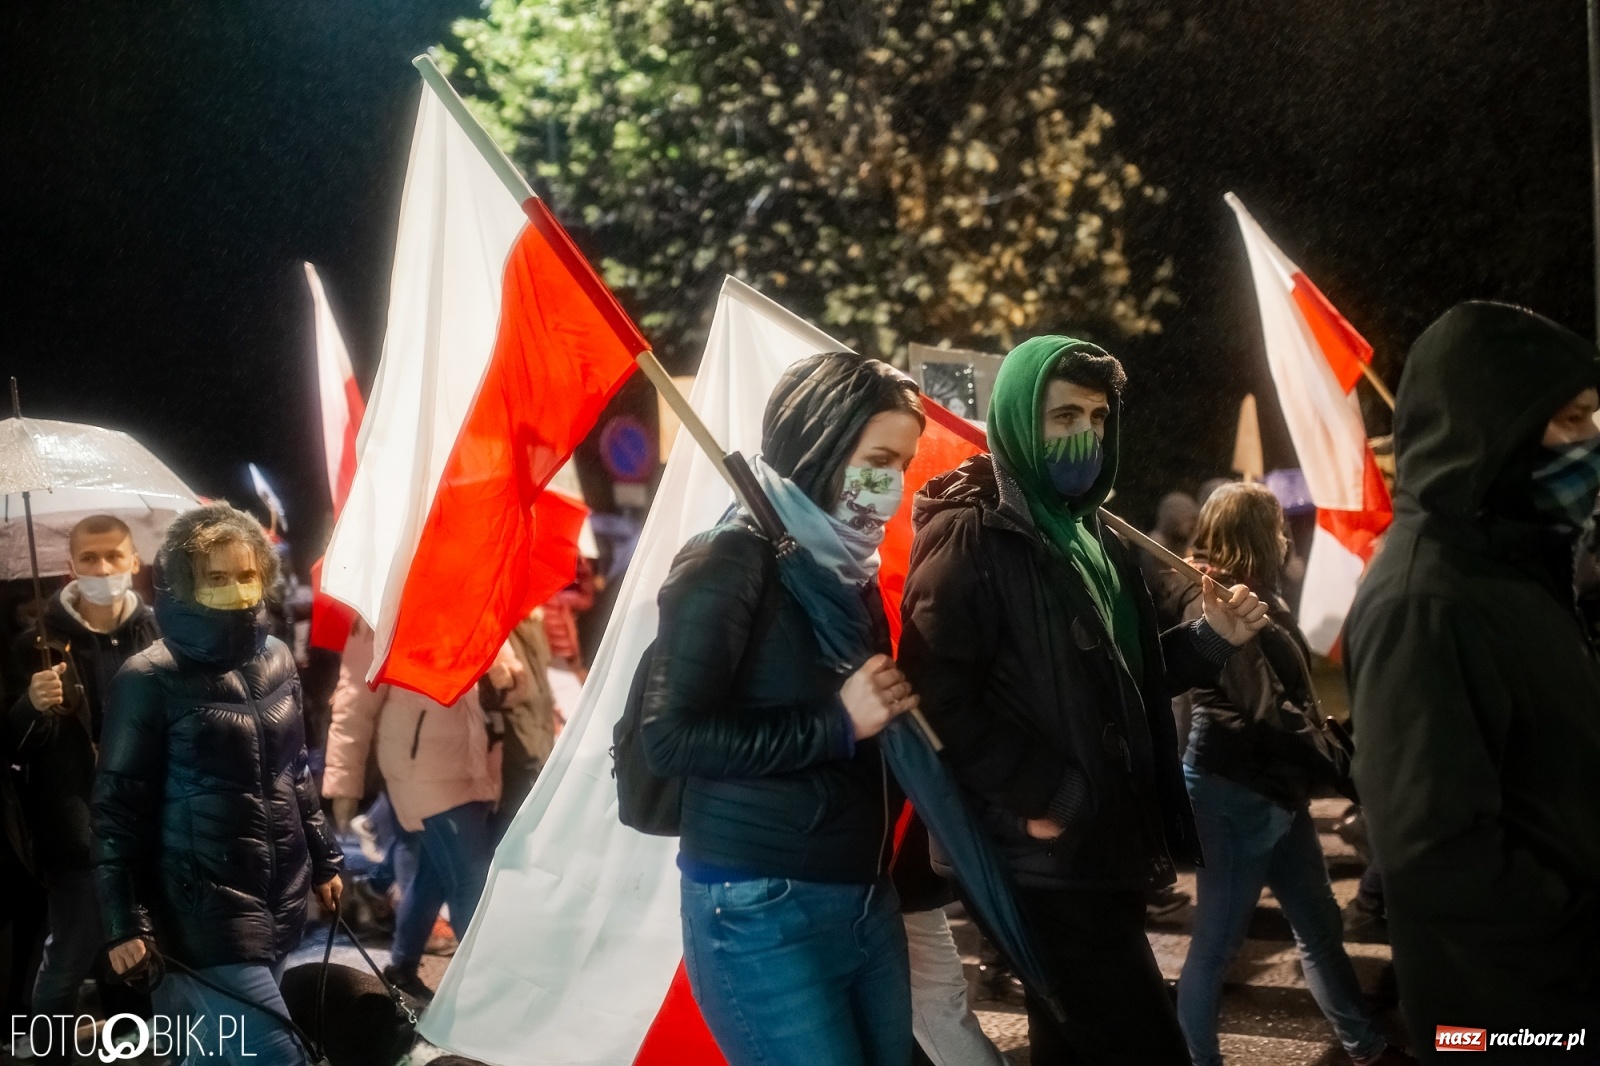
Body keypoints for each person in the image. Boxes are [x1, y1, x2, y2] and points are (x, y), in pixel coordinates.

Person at [899, 336, 1267, 1066]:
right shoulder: (970, 539)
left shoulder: (1095, 536)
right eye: (1063, 416)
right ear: (1017, 424)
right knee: (1141, 1046)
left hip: (1109, 844)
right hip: (1044, 858)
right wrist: (1047, 791)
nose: (1085, 436)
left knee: (1074, 1046)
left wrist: (1211, 639)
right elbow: (935, 698)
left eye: (1097, 418)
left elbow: (1130, 679)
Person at [640, 353, 924, 1066]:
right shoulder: (728, 559)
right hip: (760, 907)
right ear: (821, 448)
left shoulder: (845, 566)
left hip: (864, 896)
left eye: (902, 464)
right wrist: (837, 723)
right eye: (878, 459)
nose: (891, 485)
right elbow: (669, 738)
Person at [1344, 302, 1600, 1049]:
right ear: (1494, 433)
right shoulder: (1424, 600)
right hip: (1508, 1011)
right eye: (1574, 421)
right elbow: (1434, 850)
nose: (1593, 442)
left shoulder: (1513, 565)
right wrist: (1579, 920)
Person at [94, 504, 343, 1066]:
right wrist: (122, 923)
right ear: (184, 583)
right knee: (280, 1055)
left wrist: (325, 859)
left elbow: (294, 770)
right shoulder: (147, 678)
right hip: (197, 916)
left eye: (247, 574)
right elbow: (116, 811)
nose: (236, 589)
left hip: (276, 898)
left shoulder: (278, 657)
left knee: (214, 1055)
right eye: (216, 577)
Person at [1172, 483, 1409, 1066]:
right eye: (1276, 528)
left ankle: (1365, 1045)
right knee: (1217, 947)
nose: (1284, 540)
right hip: (1233, 792)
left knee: (1319, 921)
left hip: (1276, 788)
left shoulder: (1256, 598)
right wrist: (1343, 764)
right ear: (1257, 534)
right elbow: (1267, 713)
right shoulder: (1220, 602)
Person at [3, 516, 159, 1032]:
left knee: (137, 949)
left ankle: (131, 1041)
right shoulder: (37, 645)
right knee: (71, 950)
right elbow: (12, 747)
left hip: (146, 821)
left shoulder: (158, 636)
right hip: (76, 830)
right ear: (70, 567)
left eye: (114, 555)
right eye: (89, 558)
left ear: (134, 561)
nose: (103, 567)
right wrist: (31, 706)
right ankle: (43, 1043)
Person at [324, 621, 513, 1001]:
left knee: (433, 875)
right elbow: (354, 703)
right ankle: (486, 994)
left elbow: (510, 686)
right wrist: (344, 784)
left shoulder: (466, 602)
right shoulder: (382, 613)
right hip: (423, 772)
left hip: (469, 764)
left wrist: (501, 670)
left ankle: (401, 969)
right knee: (469, 879)